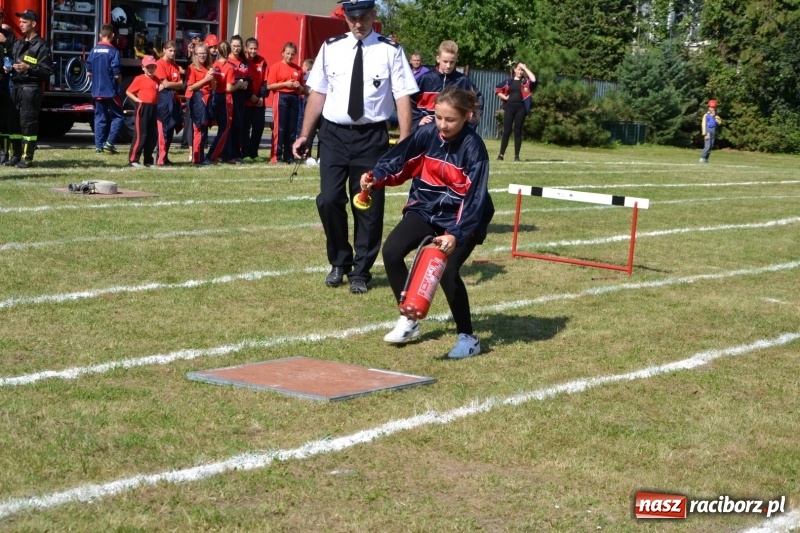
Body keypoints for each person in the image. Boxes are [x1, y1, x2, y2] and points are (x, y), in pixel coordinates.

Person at [291, 0, 418, 294]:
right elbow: (317, 93)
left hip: (372, 137)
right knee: (328, 199)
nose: (357, 23)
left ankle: (361, 271)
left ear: (374, 15)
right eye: (352, 18)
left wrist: (405, 141)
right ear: (345, 17)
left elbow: (402, 98)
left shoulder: (390, 51)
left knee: (368, 206)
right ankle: (339, 261)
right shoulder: (331, 47)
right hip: (334, 134)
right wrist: (304, 135)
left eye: (363, 17)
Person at [359, 86, 494, 358]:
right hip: (426, 207)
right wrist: (376, 177)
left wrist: (455, 234)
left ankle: (468, 338)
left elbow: (475, 196)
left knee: (448, 270)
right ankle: (409, 318)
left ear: (467, 117)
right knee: (392, 251)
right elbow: (399, 160)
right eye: (438, 117)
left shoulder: (473, 148)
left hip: (464, 218)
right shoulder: (427, 133)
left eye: (450, 120)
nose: (442, 125)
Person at [6, 9, 52, 168]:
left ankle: (27, 158)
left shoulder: (41, 45)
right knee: (14, 123)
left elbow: (47, 72)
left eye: (24, 22)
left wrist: (29, 68)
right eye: (20, 21)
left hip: (30, 88)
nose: (21, 24)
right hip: (16, 87)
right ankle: (15, 156)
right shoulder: (19, 43)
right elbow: (10, 57)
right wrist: (9, 67)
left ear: (33, 24)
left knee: (28, 122)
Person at [412, 40, 483, 132]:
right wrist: (417, 120)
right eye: (445, 61)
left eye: (452, 62)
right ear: (438, 58)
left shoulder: (463, 81)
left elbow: (478, 101)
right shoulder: (425, 79)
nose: (448, 65)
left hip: (454, 133)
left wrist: (469, 125)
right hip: (427, 130)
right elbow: (408, 100)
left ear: (456, 60)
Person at [86, 24, 124, 155]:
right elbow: (117, 73)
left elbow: (89, 72)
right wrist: (119, 84)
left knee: (99, 118)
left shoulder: (93, 50)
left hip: (97, 91)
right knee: (118, 117)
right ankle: (110, 143)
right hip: (110, 91)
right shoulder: (114, 51)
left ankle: (98, 146)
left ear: (101, 35)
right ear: (112, 35)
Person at [267, 41, 303, 164]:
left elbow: (305, 90)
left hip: (294, 97)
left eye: (292, 54)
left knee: (291, 129)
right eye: (287, 53)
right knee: (280, 128)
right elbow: (270, 86)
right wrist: (285, 84)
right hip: (281, 96)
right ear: (283, 53)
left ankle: (289, 156)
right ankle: (275, 156)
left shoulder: (297, 69)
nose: (290, 56)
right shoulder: (276, 67)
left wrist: (299, 86)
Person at [495, 62, 537, 161]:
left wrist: (525, 68)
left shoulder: (526, 82)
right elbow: (497, 90)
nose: (520, 71)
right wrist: (505, 97)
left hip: (521, 109)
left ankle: (516, 156)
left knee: (517, 132)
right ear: (515, 70)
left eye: (521, 69)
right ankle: (501, 155)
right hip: (509, 108)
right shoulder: (508, 81)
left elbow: (534, 79)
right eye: (518, 69)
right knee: (507, 131)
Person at [206, 41, 239, 163]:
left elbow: (213, 85)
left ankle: (226, 155)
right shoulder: (230, 67)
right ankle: (212, 155)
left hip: (216, 96)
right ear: (229, 51)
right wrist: (239, 85)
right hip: (226, 98)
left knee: (223, 127)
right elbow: (229, 88)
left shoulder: (215, 65)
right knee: (225, 128)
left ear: (218, 51)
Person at [126, 56, 160, 168]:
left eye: (152, 67)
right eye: (148, 67)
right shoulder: (139, 79)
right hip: (143, 107)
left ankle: (148, 160)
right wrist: (137, 100)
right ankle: (133, 159)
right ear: (143, 68)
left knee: (151, 135)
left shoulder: (156, 80)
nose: (150, 69)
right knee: (141, 134)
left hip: (153, 108)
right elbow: (129, 91)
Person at [184, 42, 215, 165]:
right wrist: (205, 79)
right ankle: (196, 158)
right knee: (198, 128)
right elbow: (191, 87)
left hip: (207, 98)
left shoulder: (208, 68)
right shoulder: (192, 68)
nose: (202, 56)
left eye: (204, 53)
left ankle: (201, 157)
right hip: (198, 98)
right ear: (195, 55)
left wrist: (211, 78)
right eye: (199, 54)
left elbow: (214, 87)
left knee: (204, 129)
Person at [154, 41, 183, 166]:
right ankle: (160, 158)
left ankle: (165, 157)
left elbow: (180, 84)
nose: (172, 53)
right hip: (164, 99)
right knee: (164, 128)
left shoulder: (175, 66)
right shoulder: (160, 64)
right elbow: (165, 84)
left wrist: (175, 84)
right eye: (170, 50)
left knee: (171, 127)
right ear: (164, 50)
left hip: (174, 98)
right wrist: (177, 84)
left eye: (174, 51)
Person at [243, 37, 268, 162]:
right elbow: (242, 82)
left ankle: (254, 153)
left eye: (255, 48)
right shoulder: (243, 62)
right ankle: (245, 153)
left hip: (259, 102)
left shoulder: (262, 62)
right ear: (246, 49)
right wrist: (250, 96)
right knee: (245, 128)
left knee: (259, 127)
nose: (253, 51)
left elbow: (265, 81)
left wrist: (262, 96)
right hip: (246, 102)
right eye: (251, 48)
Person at [227, 35, 249, 162]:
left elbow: (248, 78)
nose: (236, 48)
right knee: (230, 123)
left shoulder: (244, 61)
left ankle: (236, 152)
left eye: (238, 46)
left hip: (241, 95)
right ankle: (228, 152)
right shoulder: (226, 60)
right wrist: (236, 85)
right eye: (234, 46)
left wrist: (246, 83)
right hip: (229, 95)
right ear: (230, 46)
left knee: (239, 124)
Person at [0, 6, 17, 165]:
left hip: (4, 84)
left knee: (4, 122)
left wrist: (6, 42)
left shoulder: (7, 35)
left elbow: (17, 53)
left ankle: (3, 154)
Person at [297, 58, 319, 165]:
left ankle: (317, 156)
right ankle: (309, 156)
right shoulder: (308, 75)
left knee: (320, 133)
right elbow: (306, 91)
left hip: (321, 106)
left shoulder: (321, 74)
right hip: (311, 104)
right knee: (311, 132)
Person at [700, 99, 721, 163]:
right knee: (707, 146)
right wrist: (704, 133)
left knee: (711, 146)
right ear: (708, 107)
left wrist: (715, 117)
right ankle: (702, 157)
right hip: (708, 131)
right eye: (711, 107)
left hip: (713, 131)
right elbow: (703, 124)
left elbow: (719, 123)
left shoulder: (716, 116)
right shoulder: (706, 115)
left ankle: (706, 158)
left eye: (714, 107)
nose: (712, 109)